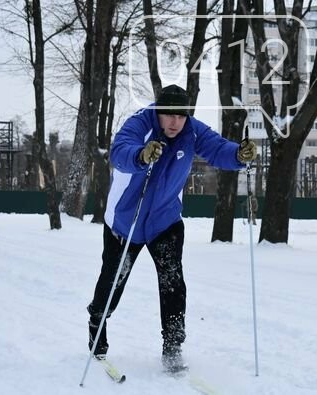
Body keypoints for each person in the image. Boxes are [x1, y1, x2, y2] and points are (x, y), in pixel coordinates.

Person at [86, 84, 257, 373]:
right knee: (113, 281)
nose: (175, 122)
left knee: (172, 283)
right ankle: (97, 326)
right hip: (126, 221)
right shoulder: (140, 123)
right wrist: (141, 156)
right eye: (169, 115)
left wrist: (239, 155)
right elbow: (120, 151)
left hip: (164, 220)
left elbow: (217, 148)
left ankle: (173, 347)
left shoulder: (191, 131)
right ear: (158, 111)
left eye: (181, 116)